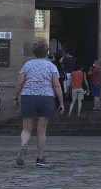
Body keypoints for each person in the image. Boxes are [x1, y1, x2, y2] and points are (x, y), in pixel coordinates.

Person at [13, 41, 65, 169]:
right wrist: (61, 102)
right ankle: (40, 158)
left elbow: (20, 82)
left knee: (26, 129)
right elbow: (57, 85)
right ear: (46, 52)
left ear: (34, 52)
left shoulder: (28, 65)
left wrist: (15, 97)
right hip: (46, 97)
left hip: (28, 96)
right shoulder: (51, 66)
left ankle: (24, 145)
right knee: (41, 130)